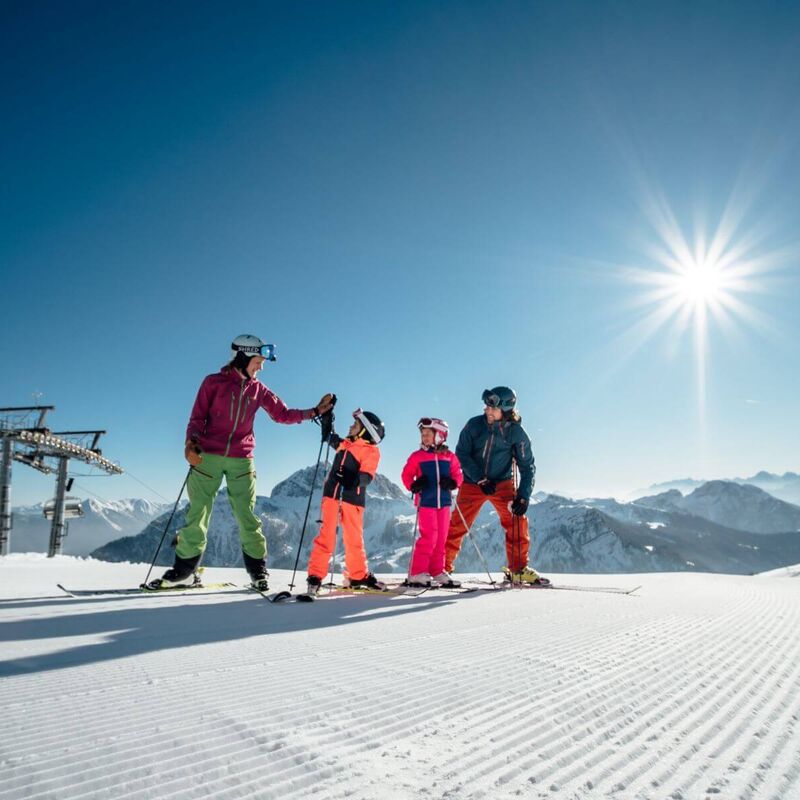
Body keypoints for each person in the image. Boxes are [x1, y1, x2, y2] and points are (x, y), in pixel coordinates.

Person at [153, 334, 334, 591]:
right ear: (242, 357)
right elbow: (197, 418)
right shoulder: (213, 383)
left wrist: (315, 411)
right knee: (198, 513)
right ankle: (184, 571)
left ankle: (258, 571)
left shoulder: (258, 390)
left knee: (246, 515)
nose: (261, 368)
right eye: (258, 362)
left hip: (241, 460)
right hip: (207, 456)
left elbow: (282, 414)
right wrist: (190, 443)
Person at [445, 386, 547, 584]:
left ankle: (518, 569)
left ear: (506, 409)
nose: (487, 410)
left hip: (502, 484)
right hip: (473, 482)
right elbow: (462, 454)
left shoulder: (517, 434)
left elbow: (527, 466)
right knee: (457, 525)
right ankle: (442, 567)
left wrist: (523, 496)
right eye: (487, 406)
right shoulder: (474, 425)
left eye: (492, 408)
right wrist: (479, 479)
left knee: (516, 521)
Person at [305, 408, 385, 596]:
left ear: (365, 430)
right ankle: (315, 576)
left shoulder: (371, 451)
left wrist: (353, 479)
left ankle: (357, 575)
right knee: (326, 537)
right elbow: (330, 438)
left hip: (353, 500)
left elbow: (367, 476)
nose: (350, 426)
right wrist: (327, 422)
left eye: (355, 424)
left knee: (353, 539)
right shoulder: (345, 444)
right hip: (332, 497)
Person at [400, 417, 463, 587]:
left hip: (444, 503)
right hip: (426, 502)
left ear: (440, 435)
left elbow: (458, 474)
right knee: (429, 537)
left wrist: (453, 483)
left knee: (441, 538)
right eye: (423, 434)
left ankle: (437, 571)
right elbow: (406, 475)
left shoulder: (449, 457)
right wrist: (413, 485)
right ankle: (417, 572)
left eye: (428, 434)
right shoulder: (417, 456)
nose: (424, 437)